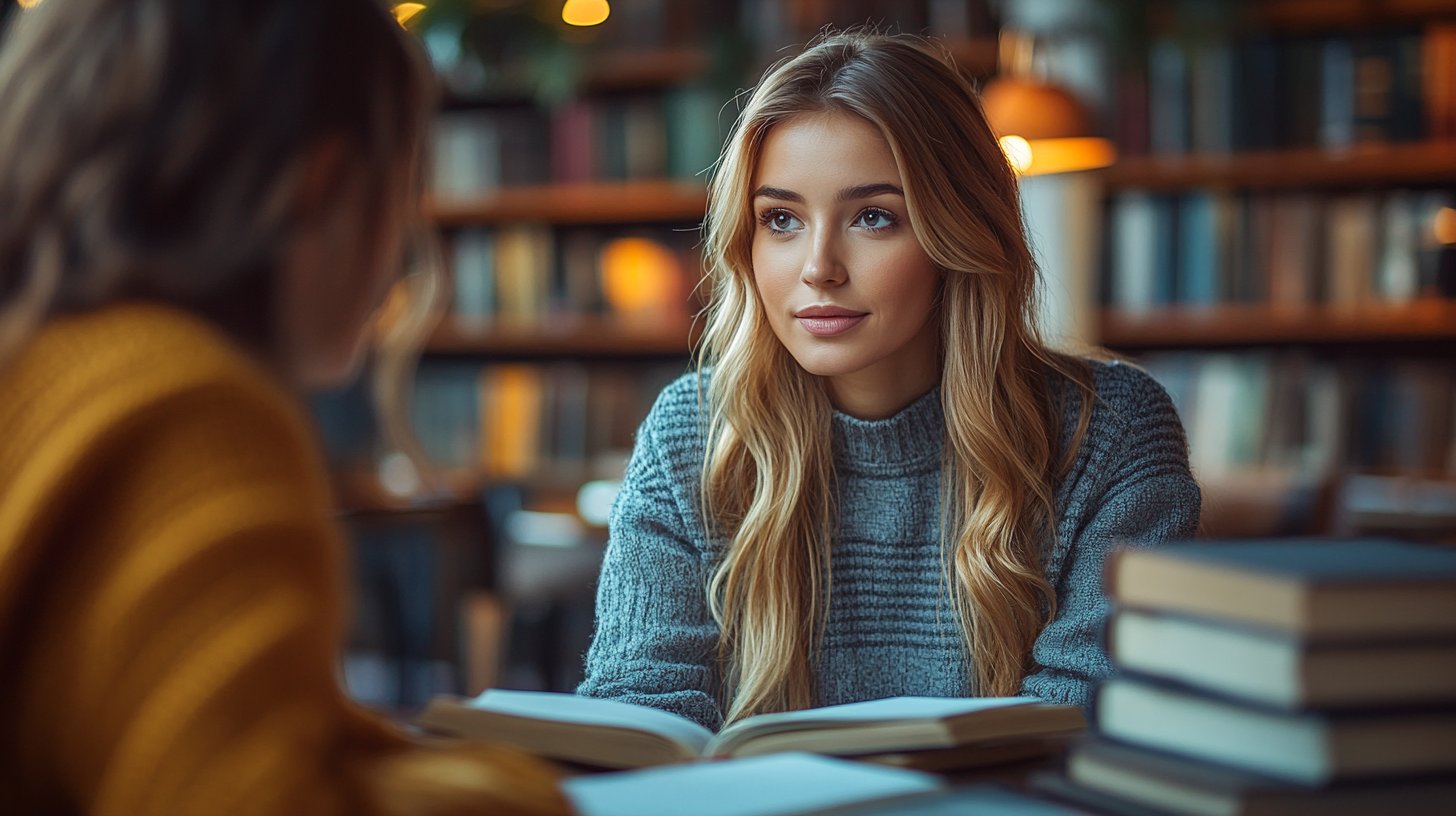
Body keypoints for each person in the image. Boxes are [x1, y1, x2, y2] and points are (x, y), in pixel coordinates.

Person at [0, 1, 567, 813]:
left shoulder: (47, 369)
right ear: (321, 185)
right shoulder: (184, 414)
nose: (403, 256)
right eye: (403, 186)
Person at [578, 31, 1201, 731]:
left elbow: (1091, 719)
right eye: (780, 219)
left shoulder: (1108, 432)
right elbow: (641, 710)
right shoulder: (691, 436)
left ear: (957, 232)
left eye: (874, 217)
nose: (818, 267)